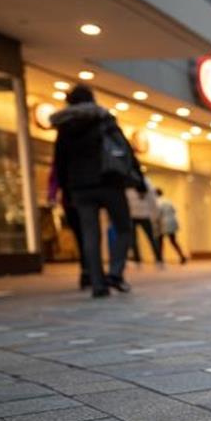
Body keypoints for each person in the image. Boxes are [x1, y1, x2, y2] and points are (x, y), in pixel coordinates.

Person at [50, 83, 141, 297]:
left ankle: (98, 284)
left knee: (90, 235)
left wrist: (66, 190)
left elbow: (60, 162)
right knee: (124, 228)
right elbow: (124, 148)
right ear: (91, 98)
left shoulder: (65, 126)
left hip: (80, 187)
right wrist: (138, 178)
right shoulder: (103, 119)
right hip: (109, 181)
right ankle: (116, 273)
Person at [127, 177, 162, 266]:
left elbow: (152, 199)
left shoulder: (129, 181)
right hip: (143, 214)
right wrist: (155, 214)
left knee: (135, 239)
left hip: (135, 214)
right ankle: (158, 258)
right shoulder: (147, 181)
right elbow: (152, 199)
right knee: (150, 237)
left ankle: (138, 259)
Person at [155, 188, 187, 264]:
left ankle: (160, 259)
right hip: (172, 221)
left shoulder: (157, 202)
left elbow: (157, 213)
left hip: (162, 222)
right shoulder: (168, 201)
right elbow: (174, 210)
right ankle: (182, 256)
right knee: (173, 241)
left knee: (160, 241)